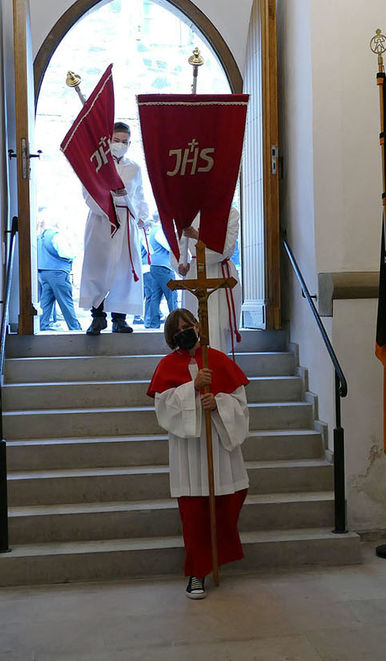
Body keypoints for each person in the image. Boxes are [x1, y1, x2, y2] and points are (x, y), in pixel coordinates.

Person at [146, 308, 250, 599]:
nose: (185, 331)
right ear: (171, 335)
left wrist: (217, 404)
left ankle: (216, 558)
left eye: (188, 325)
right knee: (193, 515)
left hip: (219, 443)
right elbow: (163, 408)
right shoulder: (167, 365)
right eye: (178, 329)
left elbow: (240, 404)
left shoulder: (218, 359)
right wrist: (192, 388)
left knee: (228, 503)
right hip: (189, 449)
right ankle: (196, 572)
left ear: (198, 325)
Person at [78, 121, 148, 334]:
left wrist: (142, 216)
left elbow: (139, 196)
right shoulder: (96, 164)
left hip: (126, 224)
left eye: (125, 141)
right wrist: (110, 204)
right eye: (116, 140)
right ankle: (97, 317)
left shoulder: (134, 168)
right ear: (108, 141)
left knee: (124, 271)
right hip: (102, 223)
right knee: (98, 268)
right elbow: (88, 195)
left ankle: (120, 317)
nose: (120, 144)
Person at [172, 206, 242, 355]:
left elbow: (226, 249)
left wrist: (197, 236)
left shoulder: (230, 212)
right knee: (194, 323)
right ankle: (196, 369)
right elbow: (179, 244)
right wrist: (180, 264)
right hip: (195, 274)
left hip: (220, 274)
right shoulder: (186, 212)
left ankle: (218, 368)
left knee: (219, 326)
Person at [37, 216, 81, 331]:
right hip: (58, 272)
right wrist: (74, 256)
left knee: (46, 301)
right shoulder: (56, 236)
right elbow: (65, 253)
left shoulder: (40, 237)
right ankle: (75, 328)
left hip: (43, 272)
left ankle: (43, 325)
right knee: (66, 301)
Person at [143, 216, 178, 329]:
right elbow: (169, 247)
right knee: (171, 295)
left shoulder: (152, 232)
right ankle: (176, 323)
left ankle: (154, 323)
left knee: (155, 296)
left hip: (154, 266)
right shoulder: (159, 231)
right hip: (164, 267)